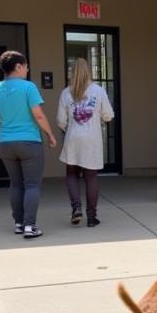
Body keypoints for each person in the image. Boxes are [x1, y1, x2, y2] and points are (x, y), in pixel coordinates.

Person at [0, 50, 57, 239]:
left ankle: (19, 223)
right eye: (26, 66)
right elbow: (39, 115)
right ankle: (30, 226)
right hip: (29, 142)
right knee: (32, 185)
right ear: (18, 66)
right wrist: (50, 133)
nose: (27, 69)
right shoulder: (28, 87)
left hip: (5, 142)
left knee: (16, 185)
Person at [57, 57, 114, 227]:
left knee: (71, 173)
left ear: (71, 72)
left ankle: (76, 208)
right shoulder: (98, 91)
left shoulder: (66, 92)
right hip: (92, 139)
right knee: (91, 177)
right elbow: (108, 115)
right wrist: (99, 118)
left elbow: (61, 120)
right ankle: (91, 217)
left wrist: (68, 126)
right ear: (89, 71)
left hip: (73, 137)